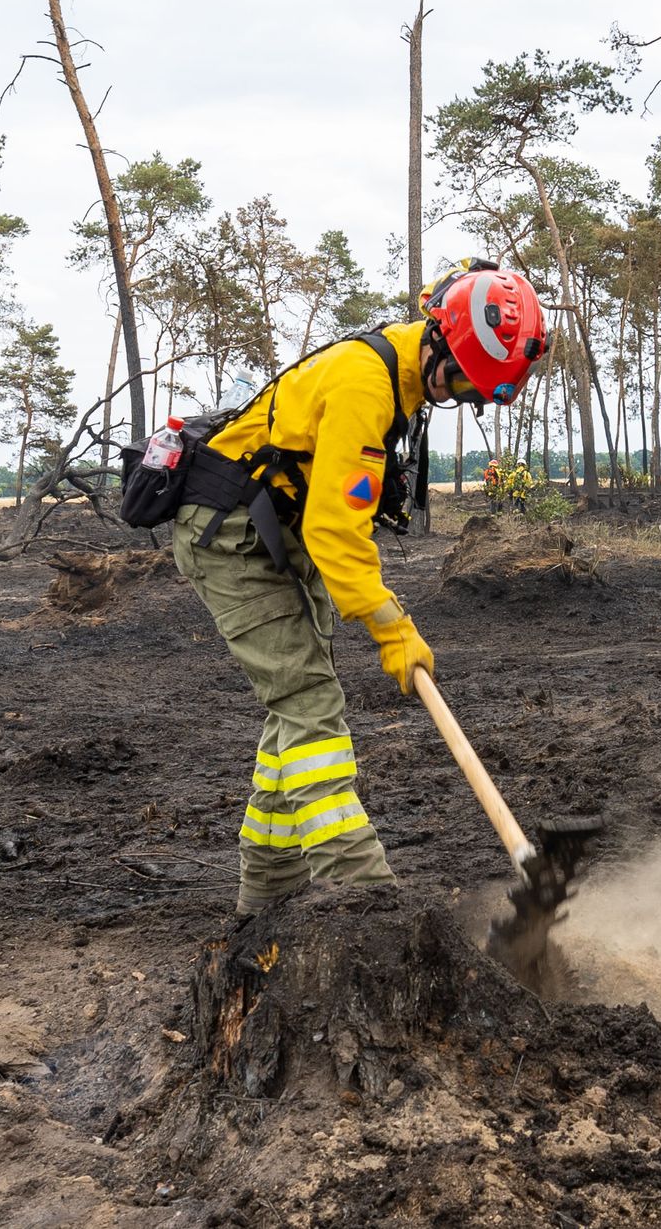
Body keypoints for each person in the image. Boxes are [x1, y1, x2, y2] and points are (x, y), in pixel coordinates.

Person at [171, 258, 547, 914]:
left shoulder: (402, 377)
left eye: (473, 390)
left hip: (276, 532)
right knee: (308, 701)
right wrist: (391, 626)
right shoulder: (365, 385)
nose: (459, 395)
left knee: (298, 701)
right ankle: (367, 904)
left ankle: (268, 891)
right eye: (461, 379)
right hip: (231, 534)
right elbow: (335, 529)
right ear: (439, 340)